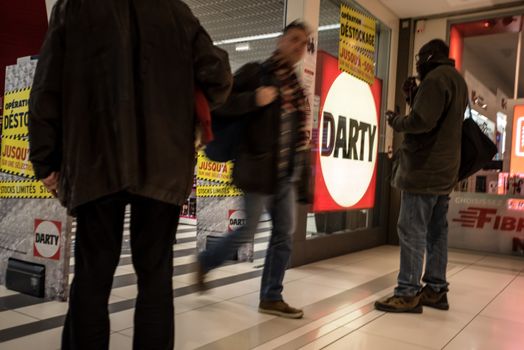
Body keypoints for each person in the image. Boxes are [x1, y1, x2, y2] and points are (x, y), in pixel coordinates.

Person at [28, 1, 232, 349]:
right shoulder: (176, 11)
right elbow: (219, 76)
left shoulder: (74, 8)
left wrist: (45, 160)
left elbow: (46, 88)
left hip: (95, 158)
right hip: (164, 163)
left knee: (92, 277)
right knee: (155, 279)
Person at [197, 20, 311, 319]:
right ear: (280, 40)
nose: (299, 47)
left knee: (284, 234)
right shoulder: (255, 72)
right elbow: (218, 105)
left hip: (286, 174)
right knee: (247, 231)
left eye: (304, 43)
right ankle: (206, 262)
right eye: (295, 39)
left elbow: (299, 136)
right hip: (258, 170)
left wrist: (303, 178)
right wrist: (254, 99)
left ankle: (271, 296)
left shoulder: (297, 88)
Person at [375, 39, 468, 313]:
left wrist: (395, 120)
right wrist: (414, 99)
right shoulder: (457, 81)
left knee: (412, 230)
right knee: (436, 232)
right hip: (445, 171)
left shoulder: (436, 79)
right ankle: (436, 289)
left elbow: (421, 122)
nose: (417, 64)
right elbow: (438, 120)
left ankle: (408, 292)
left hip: (424, 170)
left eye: (419, 58)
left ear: (428, 57)